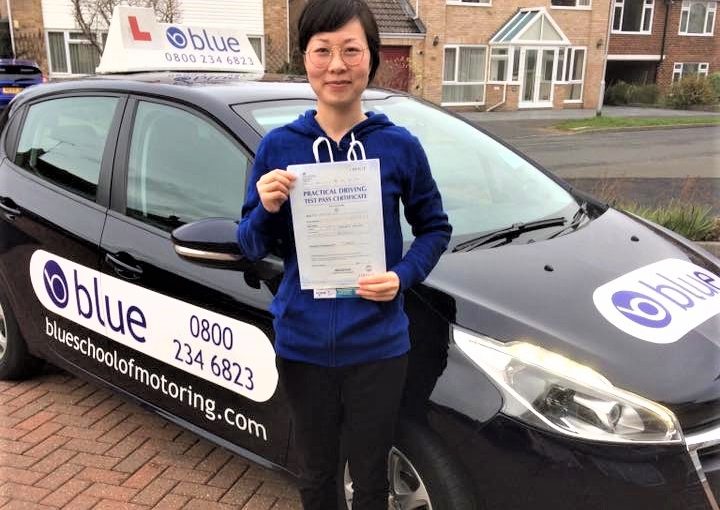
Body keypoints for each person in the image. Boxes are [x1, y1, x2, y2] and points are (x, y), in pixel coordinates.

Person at [237, 0, 451, 508]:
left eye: (351, 50)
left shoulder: (399, 146)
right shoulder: (278, 147)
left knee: (372, 478)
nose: (337, 65)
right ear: (305, 59)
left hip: (377, 346)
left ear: (371, 59)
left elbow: (434, 229)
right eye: (323, 51)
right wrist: (265, 208)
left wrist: (402, 277)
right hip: (303, 345)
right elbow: (249, 244)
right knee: (315, 476)